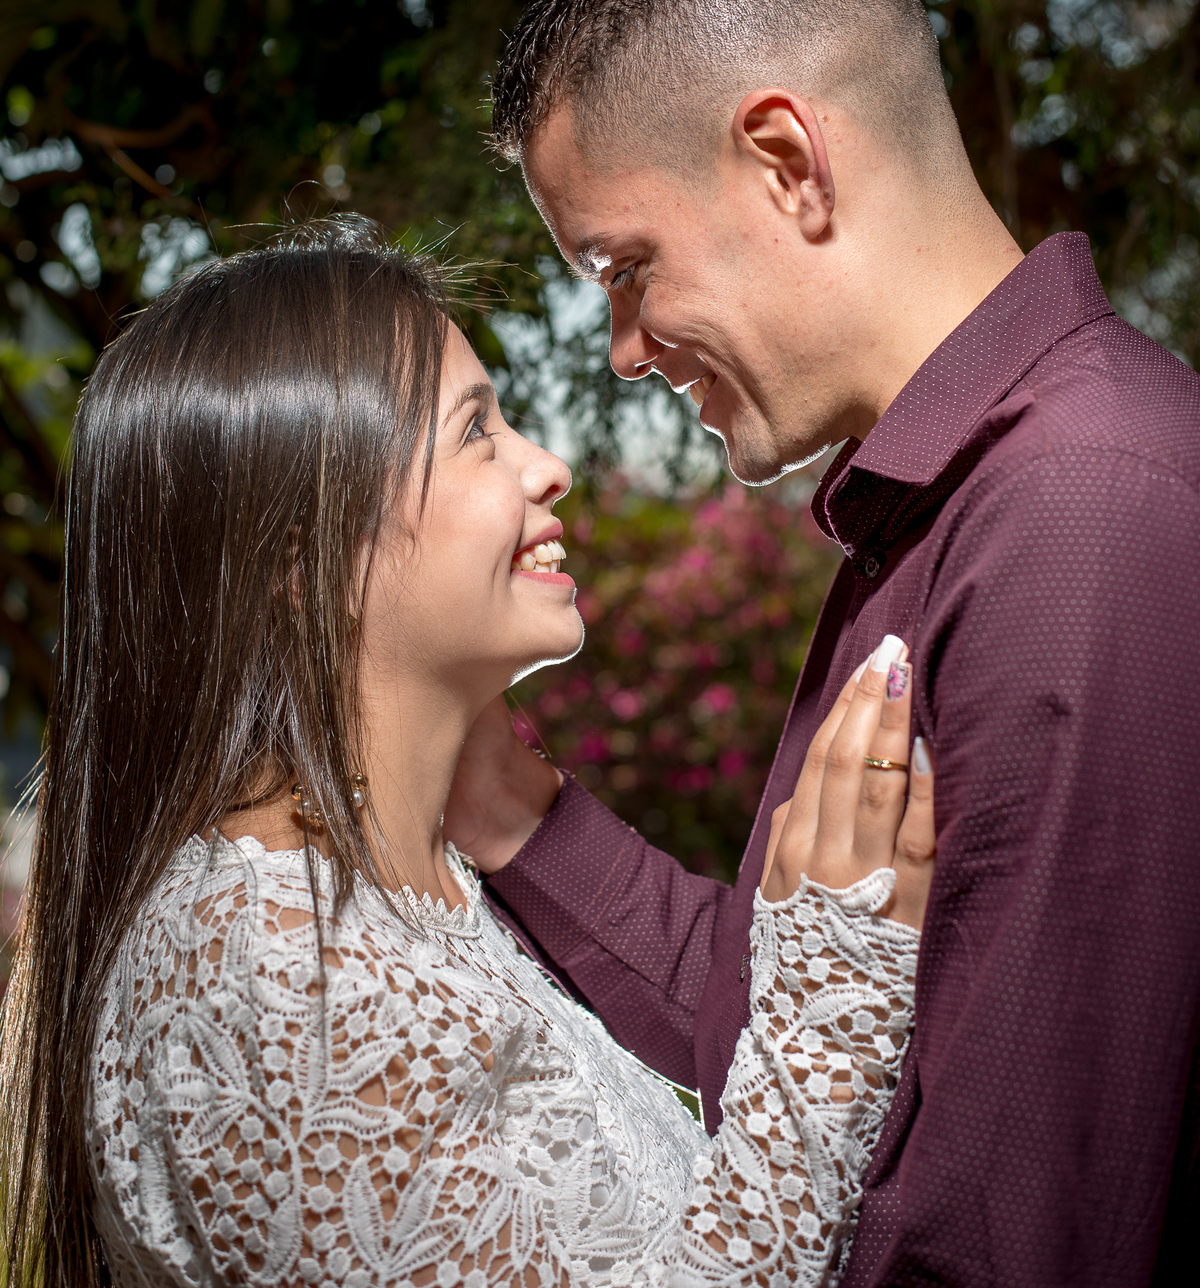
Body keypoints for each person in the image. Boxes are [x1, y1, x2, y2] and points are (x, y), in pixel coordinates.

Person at [446, 0, 1200, 1286]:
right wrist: (506, 808)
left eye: (623, 265)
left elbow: (1002, 1235)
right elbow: (804, 1030)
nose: (620, 346)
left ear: (789, 160)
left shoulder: (1078, 513)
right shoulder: (963, 498)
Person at [0, 220, 936, 1288]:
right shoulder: (267, 969)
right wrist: (825, 1010)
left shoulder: (415, 889)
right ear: (301, 558)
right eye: (477, 431)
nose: (553, 467)